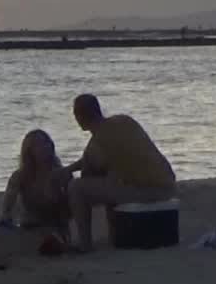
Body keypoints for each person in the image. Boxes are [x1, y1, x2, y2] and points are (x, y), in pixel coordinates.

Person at [58, 94, 176, 251]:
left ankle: (85, 243)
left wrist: (67, 172)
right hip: (167, 184)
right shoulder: (123, 121)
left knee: (76, 187)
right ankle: (114, 234)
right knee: (110, 181)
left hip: (150, 190)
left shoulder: (101, 137)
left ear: (80, 116)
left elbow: (91, 165)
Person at [0, 129, 71, 239]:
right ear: (29, 151)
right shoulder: (20, 175)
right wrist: (4, 217)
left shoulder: (60, 172)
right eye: (38, 145)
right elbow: (7, 203)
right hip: (29, 224)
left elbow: (70, 202)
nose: (44, 147)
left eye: (46, 143)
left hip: (55, 225)